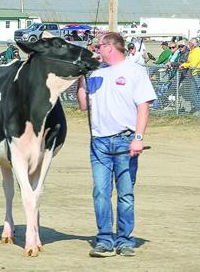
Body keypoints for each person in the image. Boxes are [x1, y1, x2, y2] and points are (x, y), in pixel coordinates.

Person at [76, 32, 154, 258]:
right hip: (99, 142)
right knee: (100, 192)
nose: (95, 49)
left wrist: (138, 138)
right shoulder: (96, 74)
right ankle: (104, 239)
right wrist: (82, 78)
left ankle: (125, 239)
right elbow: (83, 105)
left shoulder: (134, 71)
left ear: (110, 47)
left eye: (98, 46)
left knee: (125, 194)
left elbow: (144, 106)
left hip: (125, 140)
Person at [179, 38, 200, 114]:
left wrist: (184, 65)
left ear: (193, 44)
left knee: (193, 92)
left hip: (197, 73)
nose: (188, 44)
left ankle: (199, 110)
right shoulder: (193, 51)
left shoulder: (196, 51)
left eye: (190, 43)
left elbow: (193, 64)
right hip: (197, 73)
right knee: (198, 92)